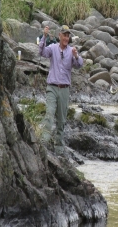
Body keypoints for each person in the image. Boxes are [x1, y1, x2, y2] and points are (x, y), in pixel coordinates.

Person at [38, 25, 83, 154]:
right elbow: (41, 52)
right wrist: (44, 36)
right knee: (49, 114)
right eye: (64, 35)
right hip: (52, 87)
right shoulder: (52, 48)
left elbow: (79, 65)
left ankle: (59, 148)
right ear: (60, 36)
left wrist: (76, 56)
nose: (66, 38)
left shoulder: (72, 51)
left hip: (64, 89)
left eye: (68, 36)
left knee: (62, 120)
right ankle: (44, 142)